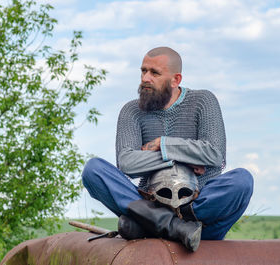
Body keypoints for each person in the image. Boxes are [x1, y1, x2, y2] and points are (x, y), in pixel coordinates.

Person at [82, 47, 254, 251]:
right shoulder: (132, 111)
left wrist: (163, 144)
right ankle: (173, 226)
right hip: (151, 202)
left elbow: (214, 154)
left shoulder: (202, 101)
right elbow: (127, 163)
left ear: (176, 80)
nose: (145, 78)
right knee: (93, 170)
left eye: (154, 73)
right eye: (143, 71)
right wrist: (182, 157)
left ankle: (157, 225)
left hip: (200, 211)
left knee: (242, 180)